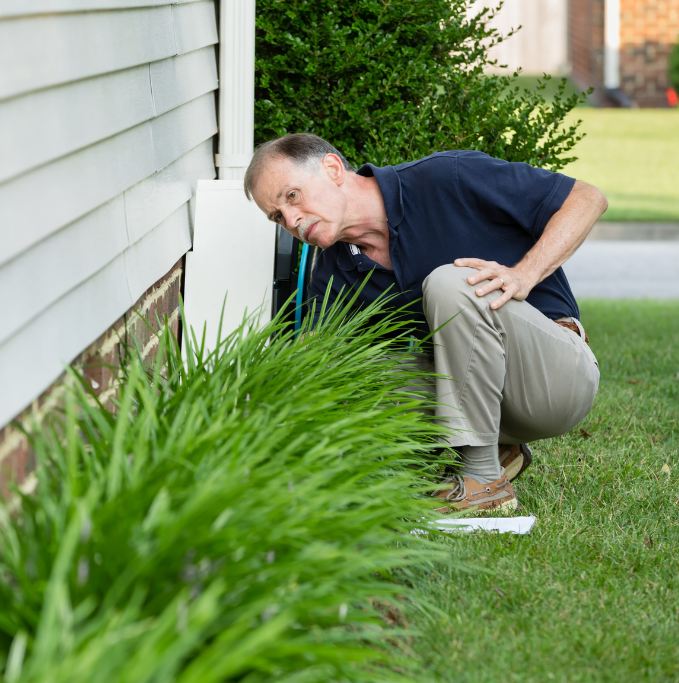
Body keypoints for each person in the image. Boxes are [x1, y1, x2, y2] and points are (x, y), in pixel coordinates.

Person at [244, 134, 605, 512]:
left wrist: (523, 275)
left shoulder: (447, 177)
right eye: (278, 217)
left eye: (292, 196)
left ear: (332, 169)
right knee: (342, 368)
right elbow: (312, 365)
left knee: (451, 283)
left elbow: (587, 199)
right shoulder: (335, 273)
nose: (292, 221)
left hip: (555, 382)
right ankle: (493, 450)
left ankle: (482, 481)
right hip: (487, 402)